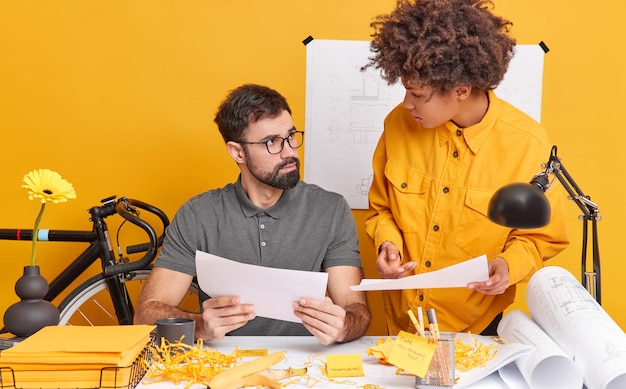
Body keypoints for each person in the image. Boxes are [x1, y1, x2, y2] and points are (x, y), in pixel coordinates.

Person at [362, 0, 569, 335]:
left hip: (476, 328)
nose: (406, 103)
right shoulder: (398, 125)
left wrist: (507, 265)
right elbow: (382, 208)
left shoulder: (527, 144)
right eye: (406, 91)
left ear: (461, 89)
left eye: (418, 94)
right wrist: (389, 243)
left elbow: (540, 238)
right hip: (403, 322)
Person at [134, 83, 371, 345]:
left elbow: (357, 310)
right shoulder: (197, 215)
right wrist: (200, 326)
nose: (290, 151)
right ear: (237, 152)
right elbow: (146, 313)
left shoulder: (331, 210)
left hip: (308, 366)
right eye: (272, 142)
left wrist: (342, 326)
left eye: (291, 136)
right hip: (222, 367)